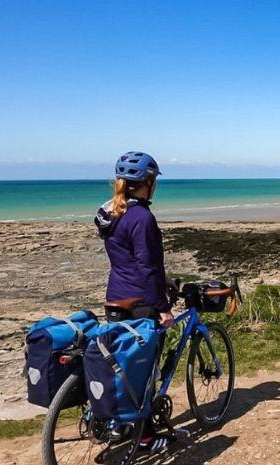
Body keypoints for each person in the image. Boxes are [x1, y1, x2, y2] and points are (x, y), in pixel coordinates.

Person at [94, 151, 178, 453]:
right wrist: (162, 308)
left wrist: (164, 278)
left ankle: (119, 425)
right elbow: (145, 266)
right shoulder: (142, 217)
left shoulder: (112, 212)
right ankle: (145, 437)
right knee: (144, 369)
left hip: (116, 296)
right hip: (141, 301)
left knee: (122, 364)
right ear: (147, 182)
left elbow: (128, 259)